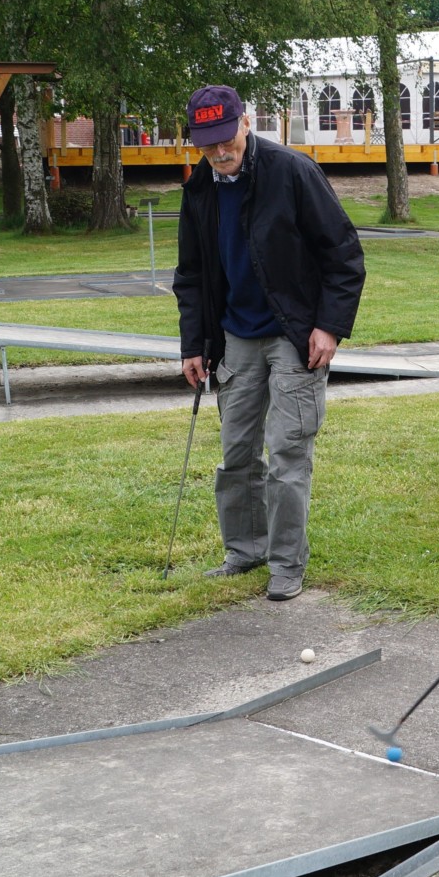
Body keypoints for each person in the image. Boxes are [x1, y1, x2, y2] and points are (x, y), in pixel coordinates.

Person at [173, 86, 365, 601]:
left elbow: (344, 256)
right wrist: (196, 343)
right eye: (206, 142)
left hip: (295, 333)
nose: (218, 151)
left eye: (224, 138)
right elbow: (191, 275)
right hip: (235, 335)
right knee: (236, 453)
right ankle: (245, 548)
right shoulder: (199, 190)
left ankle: (285, 562)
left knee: (286, 452)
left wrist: (329, 326)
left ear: (245, 123)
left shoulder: (292, 171)